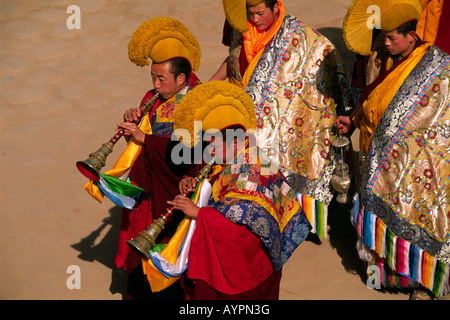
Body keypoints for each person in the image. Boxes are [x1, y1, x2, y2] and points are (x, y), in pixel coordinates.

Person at [140, 80, 312, 299]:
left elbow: (241, 226)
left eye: (213, 145)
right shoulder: (232, 158)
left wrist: (198, 213)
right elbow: (214, 186)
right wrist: (191, 181)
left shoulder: (254, 170)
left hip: (248, 270)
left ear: (234, 142)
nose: (209, 152)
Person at [336, 0, 450, 299]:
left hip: (413, 162)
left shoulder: (434, 67)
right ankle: (386, 275)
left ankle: (423, 281)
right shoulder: (386, 60)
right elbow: (374, 96)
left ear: (411, 37)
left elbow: (436, 117)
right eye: (383, 38)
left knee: (415, 216)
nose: (384, 44)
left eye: (391, 38)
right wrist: (354, 118)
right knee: (379, 218)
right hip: (376, 153)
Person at [82, 17, 202, 299]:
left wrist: (144, 138)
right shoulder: (154, 96)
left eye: (162, 78)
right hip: (147, 187)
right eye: (153, 77)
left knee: (170, 255)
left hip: (174, 188)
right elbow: (139, 146)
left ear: (182, 79)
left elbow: (188, 152)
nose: (156, 84)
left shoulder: (197, 103)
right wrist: (132, 127)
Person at [211, 0, 352, 237]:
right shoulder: (239, 23)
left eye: (259, 13)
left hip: (277, 125)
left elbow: (325, 59)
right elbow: (233, 58)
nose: (254, 19)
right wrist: (213, 83)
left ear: (276, 7)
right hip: (239, 111)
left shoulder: (300, 36)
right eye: (250, 13)